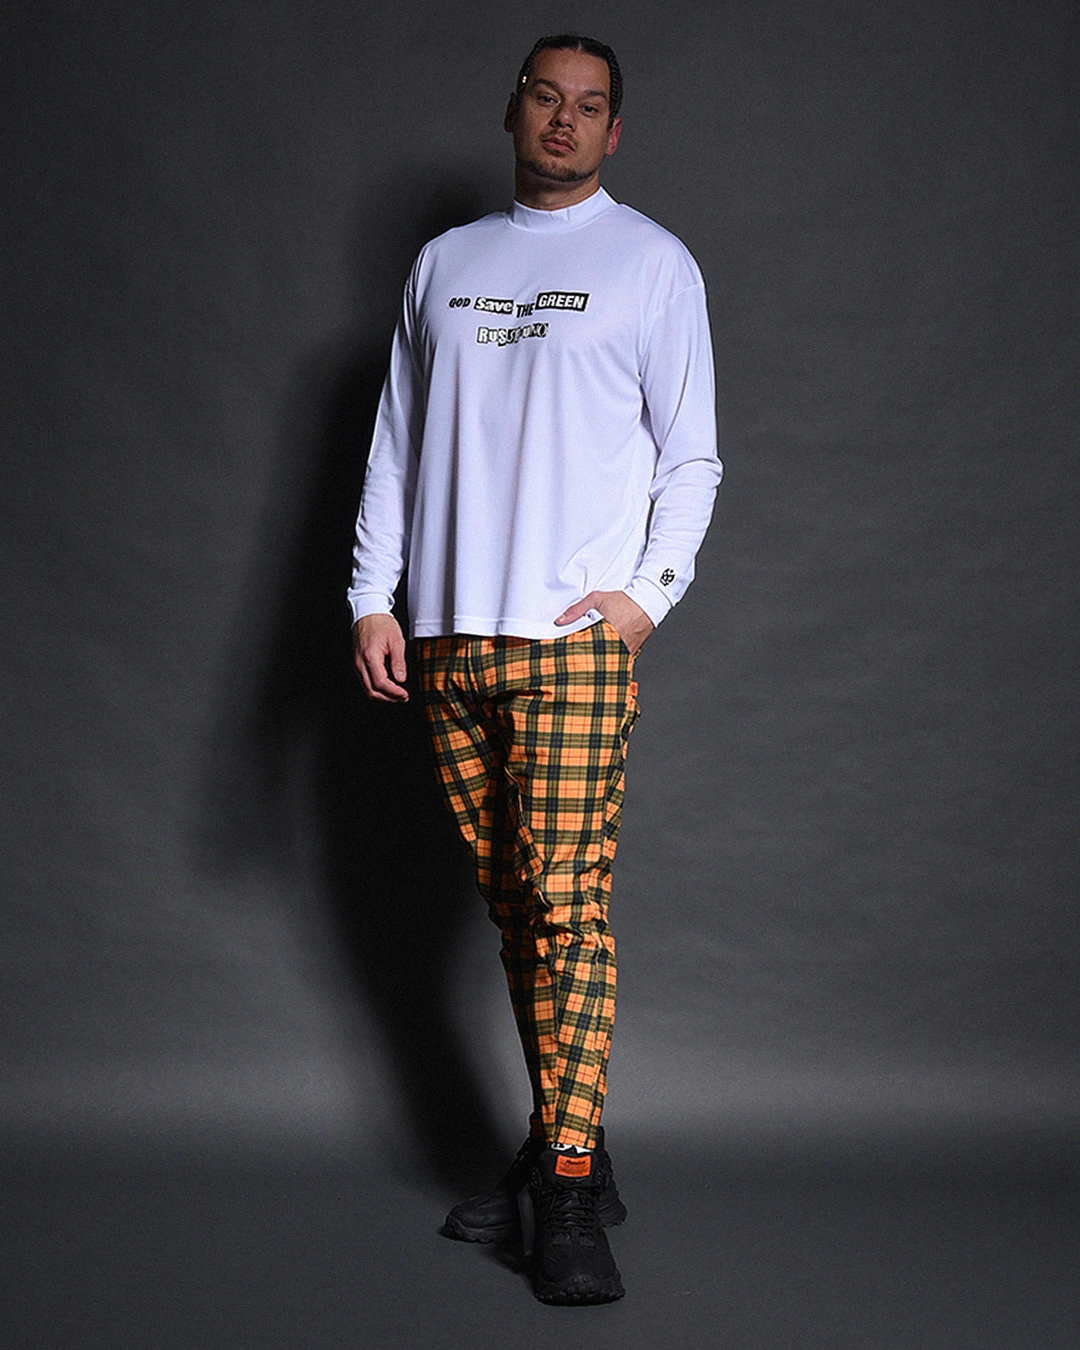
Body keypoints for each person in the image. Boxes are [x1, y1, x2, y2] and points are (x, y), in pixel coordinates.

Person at [349, 33, 722, 1305]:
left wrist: (647, 599)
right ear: (514, 110)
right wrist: (371, 598)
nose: (564, 121)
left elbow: (692, 456)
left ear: (615, 132)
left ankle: (563, 1190)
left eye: (590, 107)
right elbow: (397, 444)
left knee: (567, 907)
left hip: (571, 648)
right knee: (518, 908)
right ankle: (571, 1145)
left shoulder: (652, 262)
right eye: (546, 98)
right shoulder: (445, 264)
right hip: (448, 641)